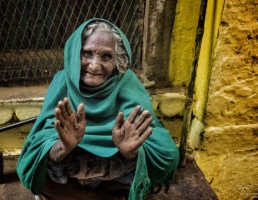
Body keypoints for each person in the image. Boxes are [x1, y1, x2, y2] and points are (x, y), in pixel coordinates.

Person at [17, 18, 179, 200]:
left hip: (116, 166)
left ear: (117, 60)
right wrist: (63, 146)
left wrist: (132, 152)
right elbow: (38, 145)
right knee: (36, 165)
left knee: (164, 157)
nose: (94, 66)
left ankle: (86, 194)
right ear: (75, 54)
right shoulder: (62, 80)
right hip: (70, 163)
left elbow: (162, 150)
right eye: (87, 54)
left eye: (106, 56)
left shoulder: (127, 82)